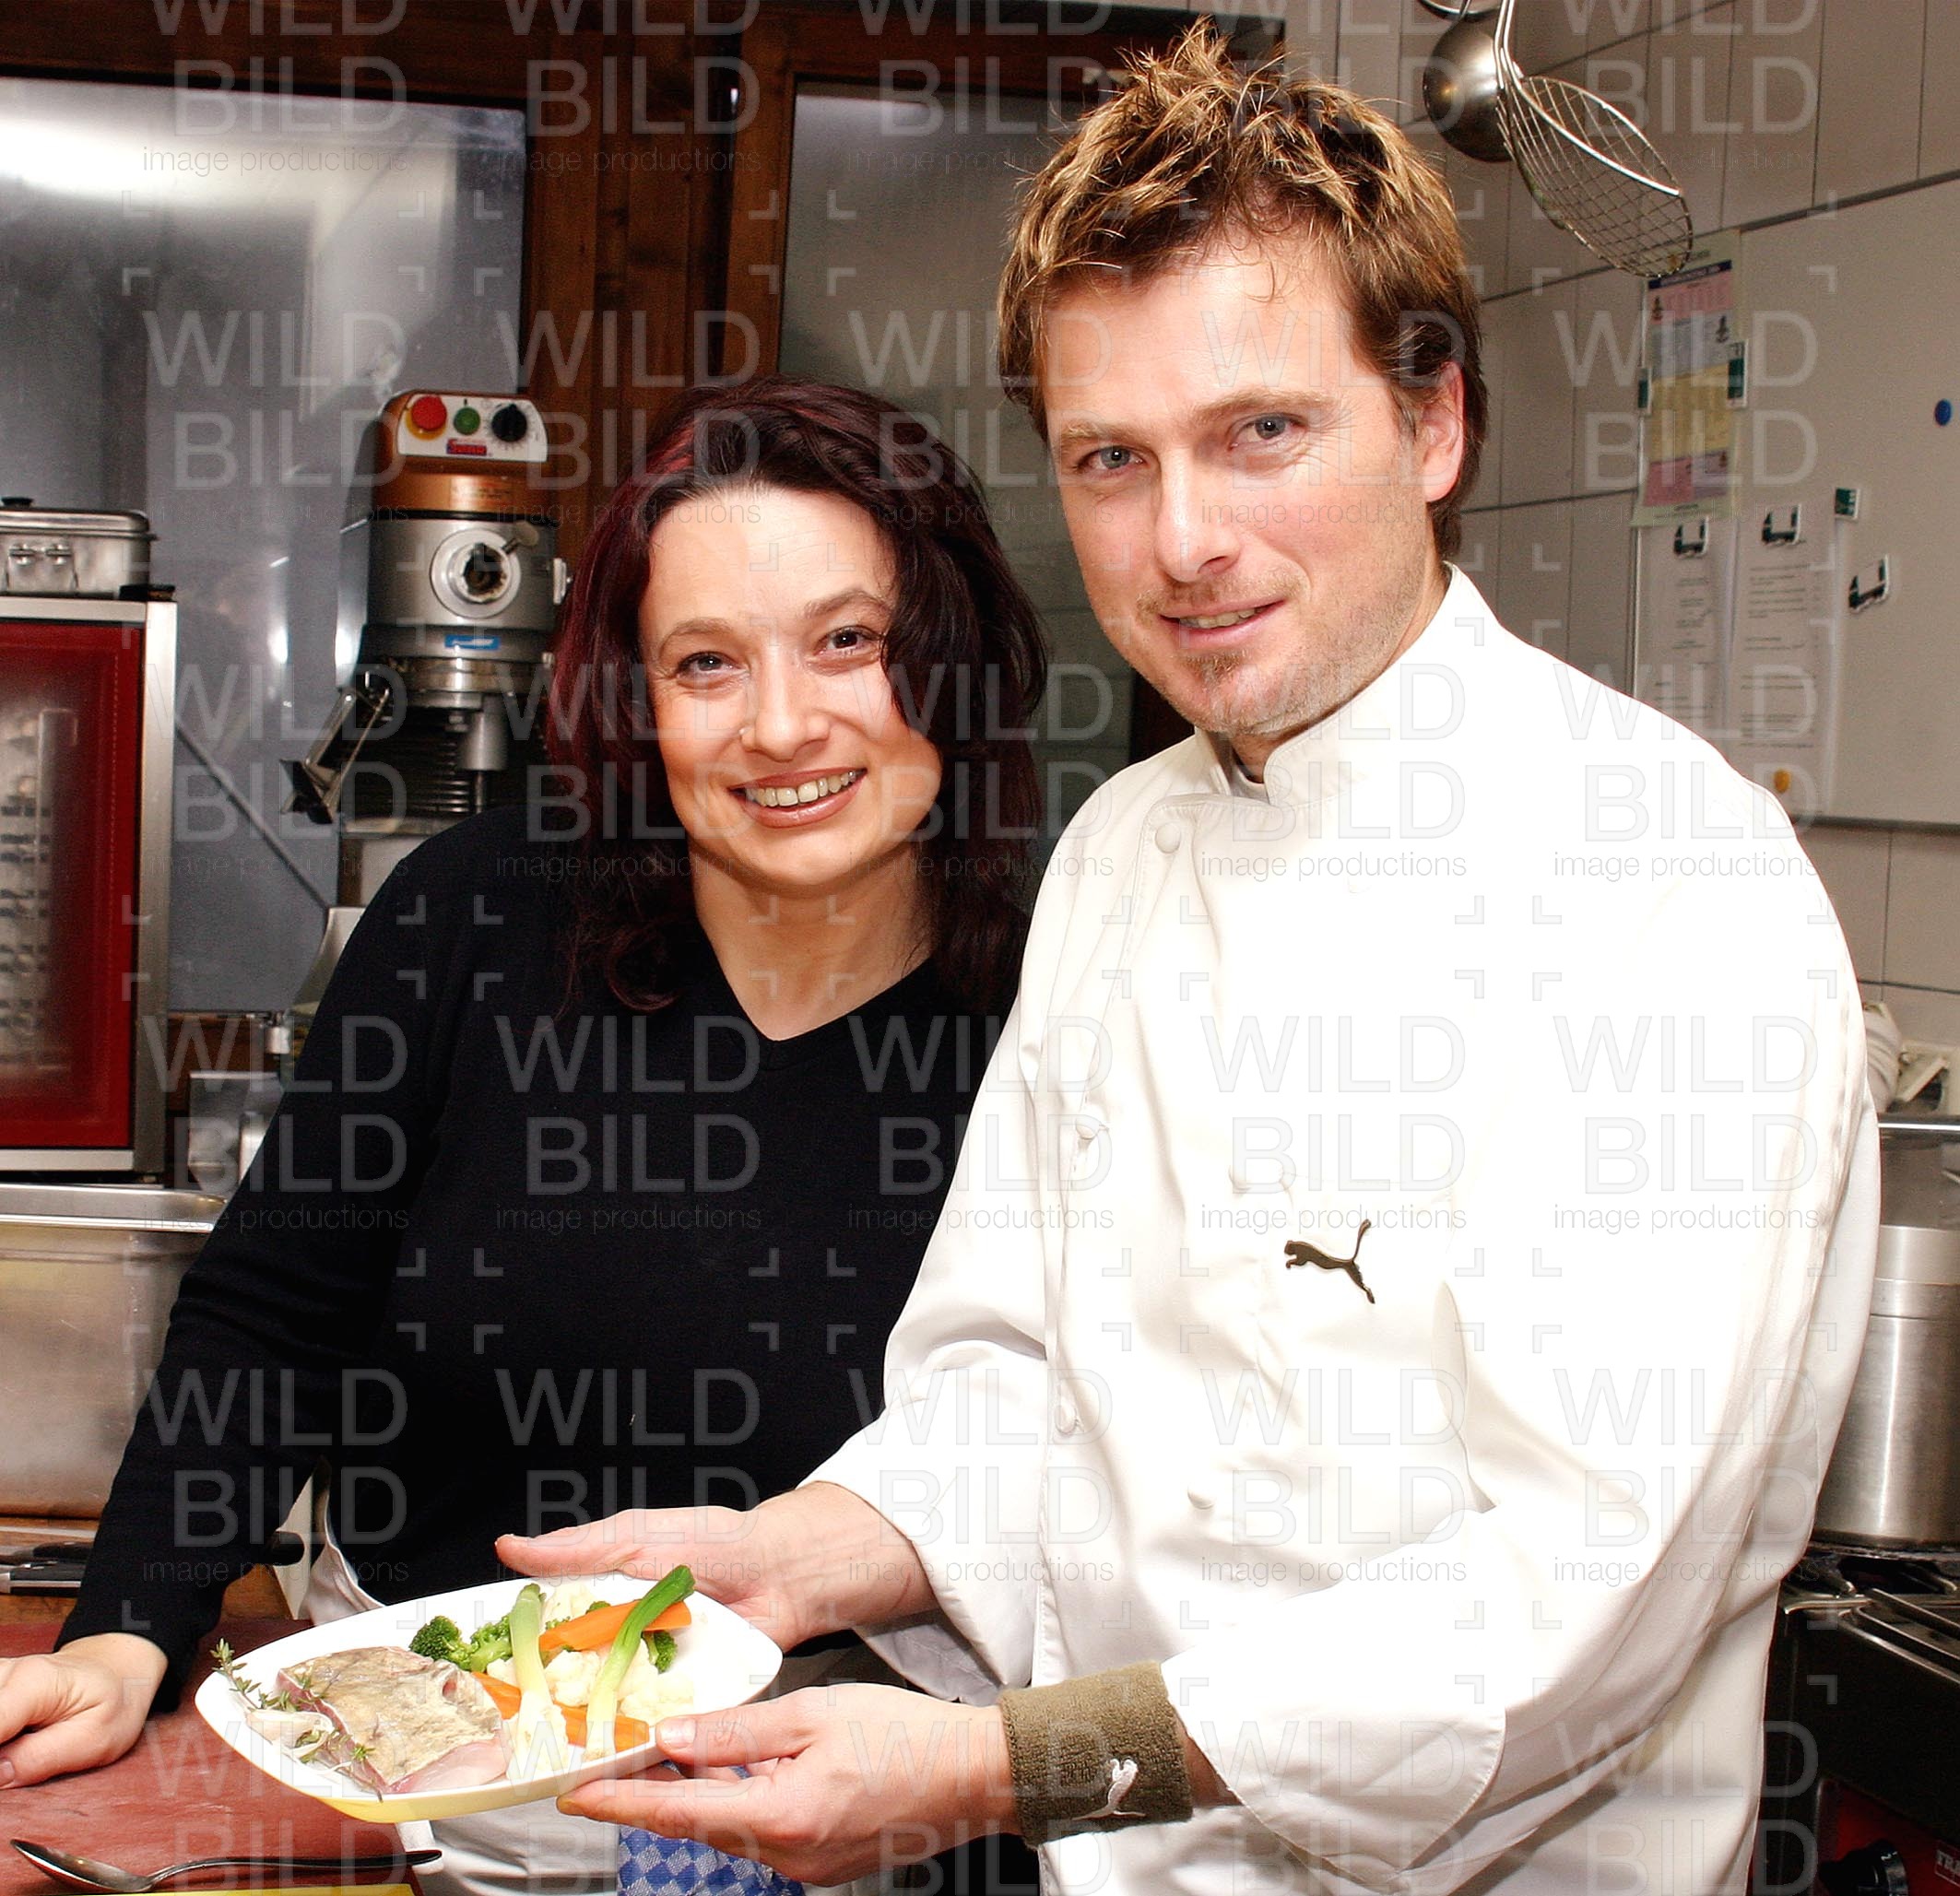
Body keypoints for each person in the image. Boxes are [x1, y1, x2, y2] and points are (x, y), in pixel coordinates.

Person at [505, 29, 1881, 1896]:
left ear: (1434, 423)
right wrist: (810, 1550)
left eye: (1261, 433)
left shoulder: (1666, 883)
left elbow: (1560, 1605)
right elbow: (1029, 1388)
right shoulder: (1123, 851)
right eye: (1110, 459)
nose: (1183, 541)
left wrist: (999, 1766)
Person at [0, 377, 1047, 1895]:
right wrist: (126, 1627)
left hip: (870, 1808)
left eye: (847, 640)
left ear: (951, 659)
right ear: (634, 699)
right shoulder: (475, 916)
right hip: (434, 1787)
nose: (780, 724)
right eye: (705, 661)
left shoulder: (1060, 1004)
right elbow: (274, 1316)